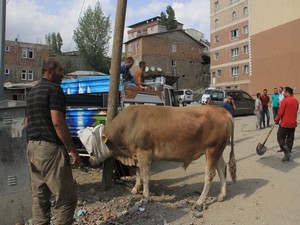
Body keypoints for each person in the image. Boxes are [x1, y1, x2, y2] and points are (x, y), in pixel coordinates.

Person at [25, 58, 81, 225]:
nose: (62, 74)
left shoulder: (33, 91)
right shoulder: (54, 89)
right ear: (49, 71)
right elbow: (57, 122)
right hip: (50, 149)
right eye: (60, 70)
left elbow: (26, 123)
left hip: (32, 147)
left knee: (40, 197)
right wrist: (72, 150)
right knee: (66, 199)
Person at [274, 87, 299, 162]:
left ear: (287, 92)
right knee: (290, 139)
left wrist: (276, 119)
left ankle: (286, 151)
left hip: (285, 123)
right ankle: (288, 154)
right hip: (293, 123)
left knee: (280, 137)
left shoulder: (285, 101)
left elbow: (280, 112)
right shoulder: (296, 101)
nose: (283, 94)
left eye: (284, 92)